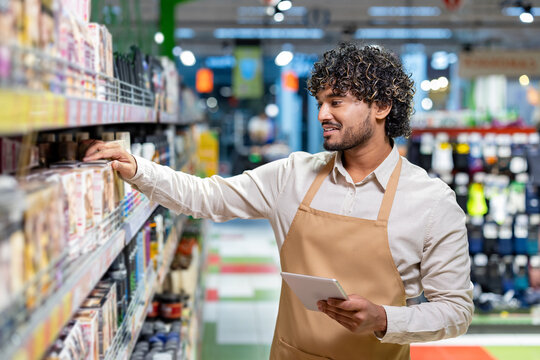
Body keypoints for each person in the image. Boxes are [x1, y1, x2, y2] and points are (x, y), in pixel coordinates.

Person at [84, 42, 473, 360]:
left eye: (336, 102)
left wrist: (384, 319)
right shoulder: (294, 174)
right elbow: (207, 197)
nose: (322, 113)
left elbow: (456, 310)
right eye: (320, 102)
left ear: (381, 108)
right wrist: (136, 167)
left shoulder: (431, 201)